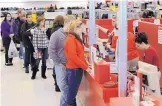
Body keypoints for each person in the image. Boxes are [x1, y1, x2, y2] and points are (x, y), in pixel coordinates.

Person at [48, 15, 76, 106]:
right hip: (61, 65)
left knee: (69, 87)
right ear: (67, 23)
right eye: (73, 24)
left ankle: (70, 102)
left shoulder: (72, 34)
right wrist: (59, 63)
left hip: (71, 65)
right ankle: (70, 101)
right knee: (63, 87)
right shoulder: (56, 35)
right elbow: (51, 51)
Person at [64, 20, 88, 106]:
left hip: (75, 69)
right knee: (71, 95)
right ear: (75, 28)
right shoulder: (71, 39)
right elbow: (73, 57)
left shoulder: (75, 38)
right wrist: (85, 67)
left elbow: (78, 54)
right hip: (74, 69)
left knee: (72, 94)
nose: (81, 29)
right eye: (80, 27)